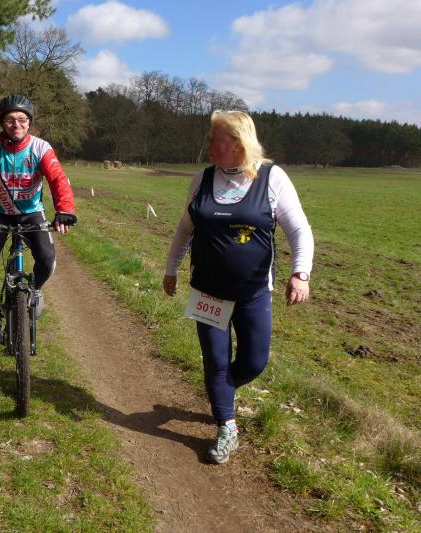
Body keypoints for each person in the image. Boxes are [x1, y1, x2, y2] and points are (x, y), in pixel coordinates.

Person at [162, 110, 314, 464]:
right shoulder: (203, 178)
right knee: (216, 362)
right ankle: (226, 425)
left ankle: (222, 392)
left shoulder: (272, 178)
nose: (208, 145)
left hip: (253, 293)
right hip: (208, 292)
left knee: (254, 362)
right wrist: (171, 269)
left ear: (236, 144)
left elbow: (299, 230)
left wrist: (301, 273)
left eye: (214, 139)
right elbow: (184, 229)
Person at [0, 94, 77, 344]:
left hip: (31, 213)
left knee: (47, 259)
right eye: (10, 120)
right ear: (2, 123)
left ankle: (35, 290)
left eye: (22, 119)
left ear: (29, 122)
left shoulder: (41, 148)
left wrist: (64, 210)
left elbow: (57, 179)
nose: (17, 125)